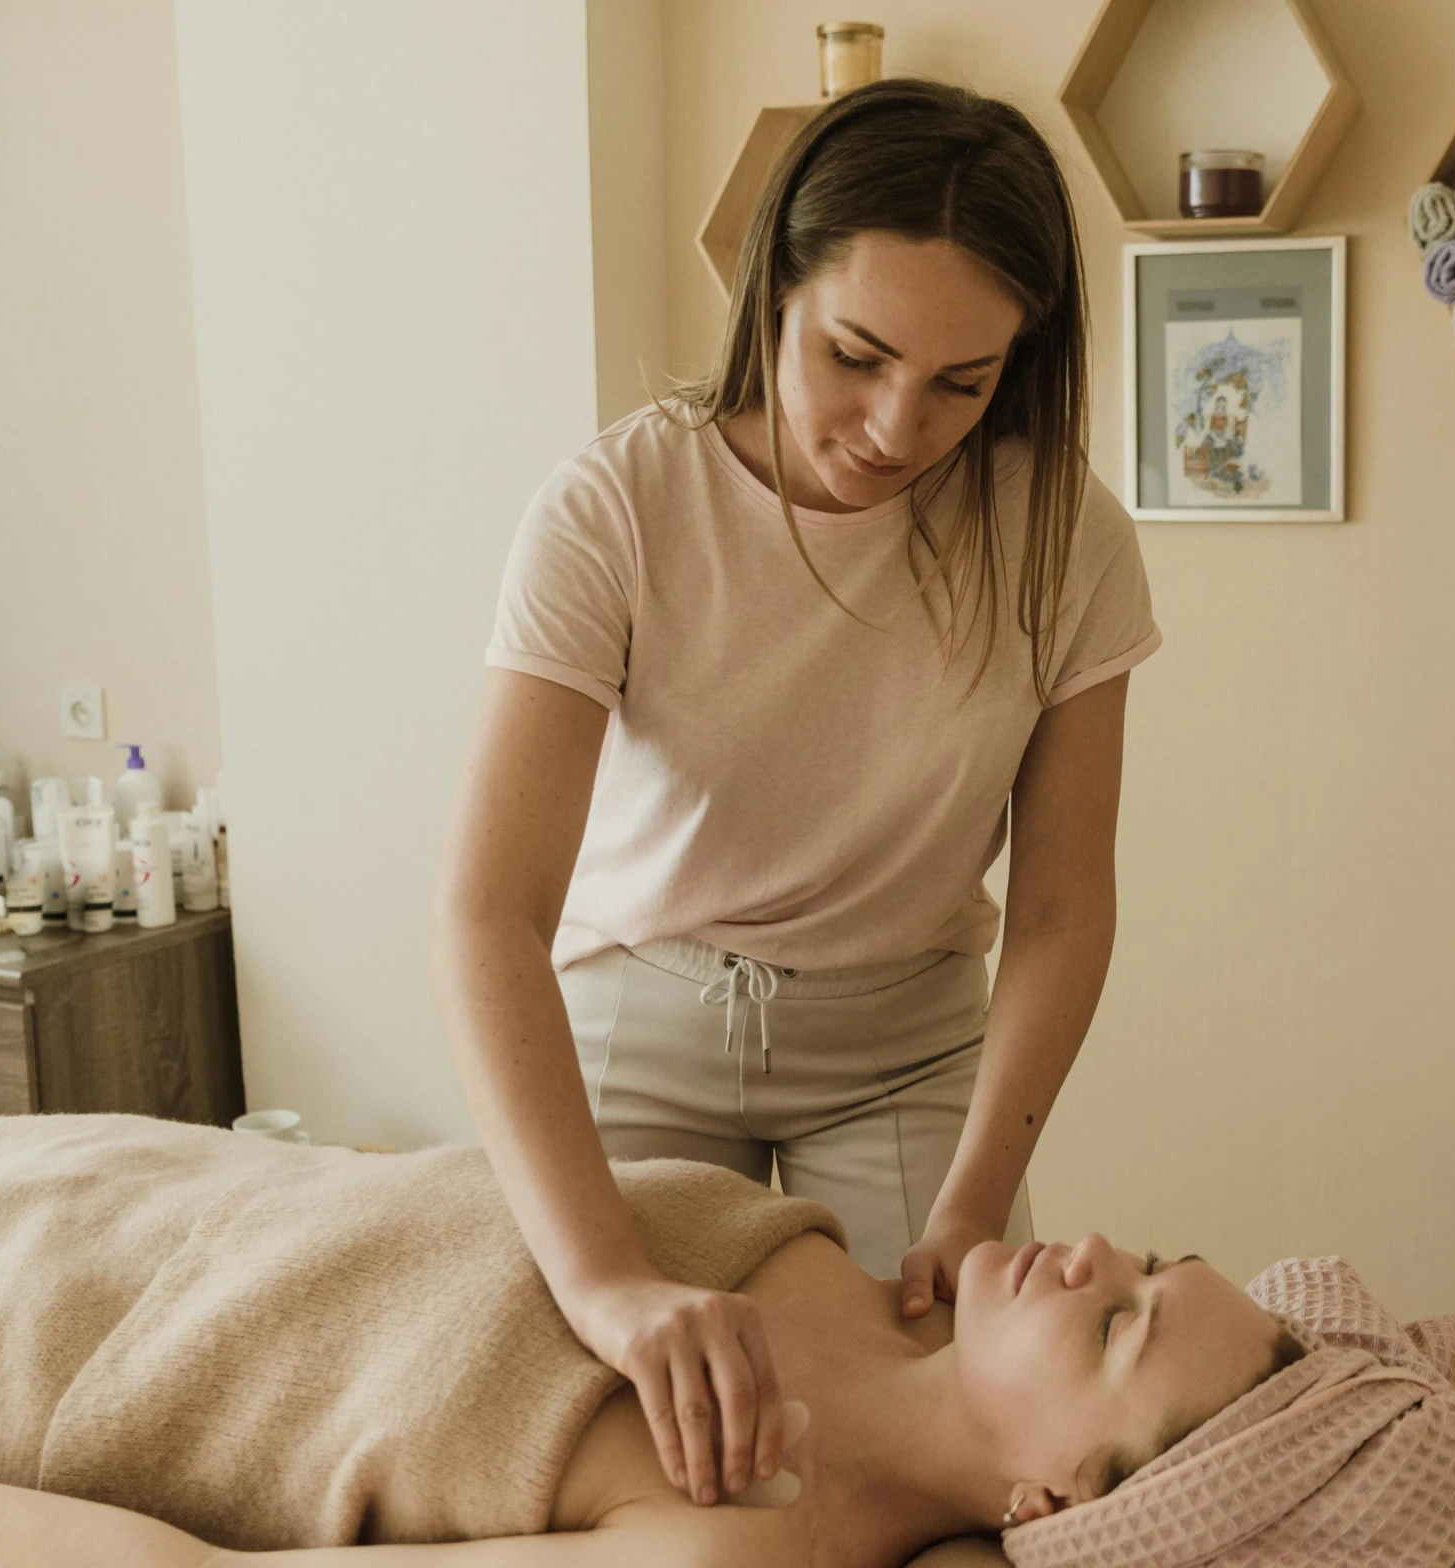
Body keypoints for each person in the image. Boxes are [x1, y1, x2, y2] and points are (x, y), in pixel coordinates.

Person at [430, 77, 1158, 1508]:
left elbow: (1066, 907)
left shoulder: (1067, 534)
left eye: (965, 380)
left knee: (967, 1462)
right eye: (857, 355)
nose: (898, 425)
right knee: (643, 1452)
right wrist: (601, 1283)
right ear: (774, 286)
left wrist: (966, 1208)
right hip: (642, 1012)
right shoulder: (617, 510)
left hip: (910, 1046)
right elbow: (486, 914)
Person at [0, 1110, 1455, 1568]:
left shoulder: (739, 1540)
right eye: (1159, 1262)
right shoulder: (872, 1279)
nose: (1096, 1247)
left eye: (1117, 1326)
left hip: (36, 1336)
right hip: (141, 1176)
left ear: (1062, 1505)